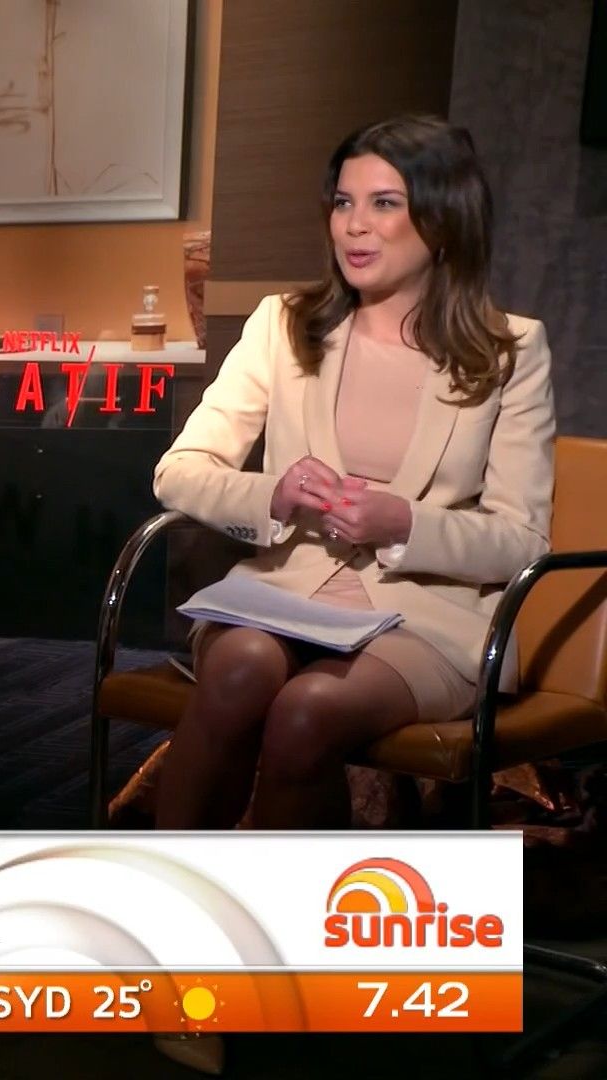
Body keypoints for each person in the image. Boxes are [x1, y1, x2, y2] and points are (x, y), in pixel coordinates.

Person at [151, 114, 555, 831]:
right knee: (238, 675)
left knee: (308, 712)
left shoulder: (510, 350)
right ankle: (166, 888)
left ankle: (297, 905)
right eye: (343, 202)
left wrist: (405, 524)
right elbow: (179, 473)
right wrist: (273, 495)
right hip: (283, 592)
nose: (354, 226)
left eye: (384, 203)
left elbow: (522, 541)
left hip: (426, 617)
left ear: (444, 220)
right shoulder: (283, 325)